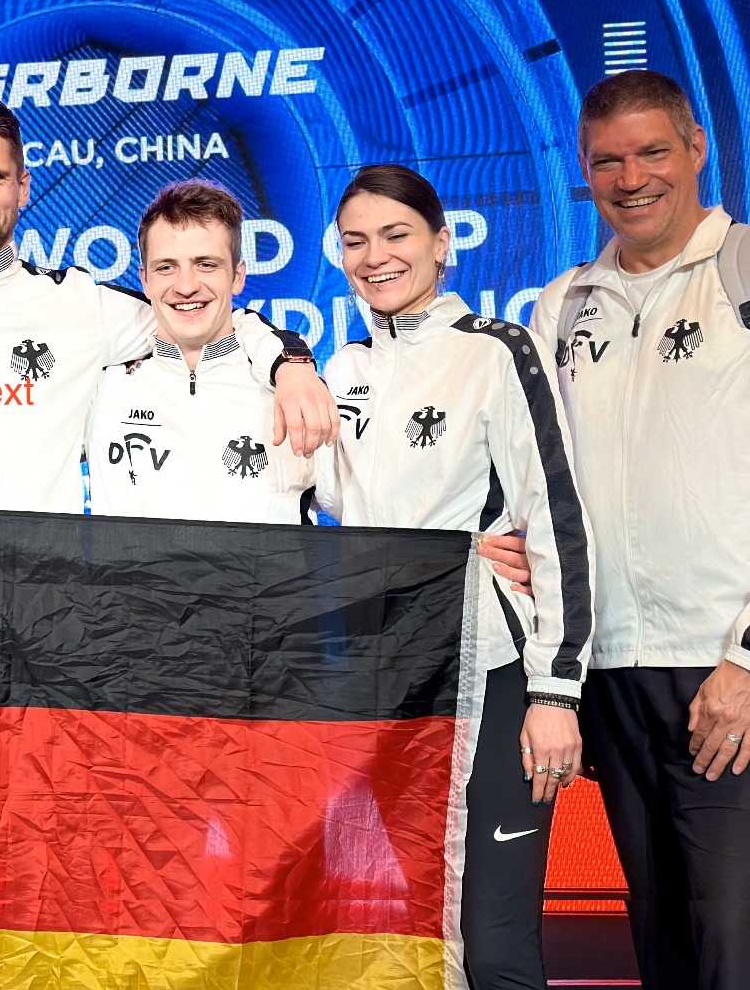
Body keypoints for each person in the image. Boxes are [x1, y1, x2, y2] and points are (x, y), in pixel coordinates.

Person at [528, 69, 750, 990]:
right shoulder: (563, 304)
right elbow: (541, 491)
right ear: (584, 170)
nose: (632, 178)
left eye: (652, 152)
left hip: (733, 668)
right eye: (608, 161)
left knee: (747, 954)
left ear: (697, 149)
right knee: (663, 953)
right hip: (612, 675)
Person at [315, 164, 593, 990]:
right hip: (387, 688)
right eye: (356, 241)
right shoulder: (342, 370)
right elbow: (314, 510)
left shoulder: (496, 352)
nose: (375, 256)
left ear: (442, 243)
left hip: (496, 676)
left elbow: (556, 517)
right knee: (408, 939)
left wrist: (556, 692)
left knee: (496, 942)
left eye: (396, 235)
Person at [0, 87, 335, 517]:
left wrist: (290, 365)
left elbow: (206, 315)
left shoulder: (82, 306)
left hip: (48, 598)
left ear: (23, 187)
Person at [87, 179, 314, 523]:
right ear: (145, 280)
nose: (186, 286)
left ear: (237, 276)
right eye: (166, 267)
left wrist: (291, 365)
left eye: (206, 264)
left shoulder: (293, 390)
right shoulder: (102, 388)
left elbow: (366, 509)